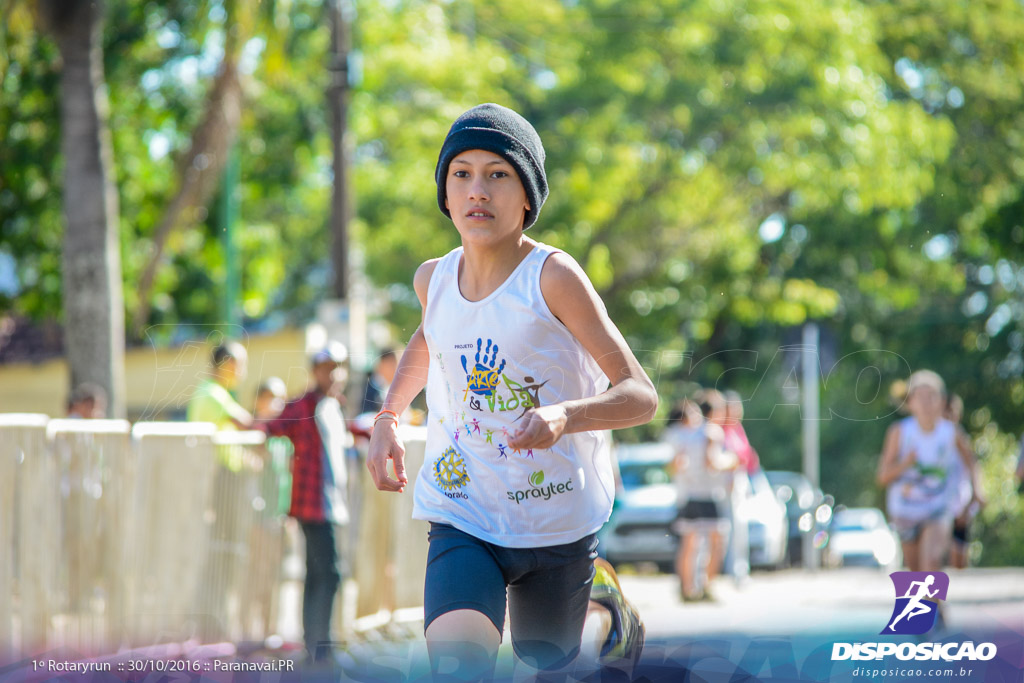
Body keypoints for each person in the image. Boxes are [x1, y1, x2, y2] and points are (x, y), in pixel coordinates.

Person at [365, 103, 658, 680]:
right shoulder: (434, 279)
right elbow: (428, 345)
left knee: (548, 661)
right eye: (462, 174)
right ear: (446, 195)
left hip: (555, 518)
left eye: (498, 174)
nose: (478, 189)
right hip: (464, 510)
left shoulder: (552, 277)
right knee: (457, 667)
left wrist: (563, 417)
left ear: (527, 195)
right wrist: (388, 418)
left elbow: (639, 394)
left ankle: (606, 609)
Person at [260, 342, 352, 665]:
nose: (336, 373)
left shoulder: (333, 406)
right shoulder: (304, 405)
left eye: (340, 366)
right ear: (316, 371)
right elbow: (272, 426)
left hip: (329, 504)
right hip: (313, 506)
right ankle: (318, 646)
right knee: (328, 573)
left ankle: (317, 645)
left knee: (321, 574)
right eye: (329, 367)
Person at [876, 370, 984, 573]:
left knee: (932, 561)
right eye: (920, 397)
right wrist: (905, 464)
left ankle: (932, 604)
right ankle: (934, 604)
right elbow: (883, 476)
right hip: (905, 509)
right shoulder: (899, 431)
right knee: (915, 574)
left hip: (938, 506)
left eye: (931, 396)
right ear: (910, 402)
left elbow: (972, 463)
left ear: (942, 401)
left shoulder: (951, 432)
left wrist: (978, 490)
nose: (926, 402)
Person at [665, 392, 734, 601]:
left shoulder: (684, 432)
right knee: (717, 541)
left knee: (689, 542)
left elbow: (674, 465)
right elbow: (712, 462)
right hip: (708, 494)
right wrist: (733, 461)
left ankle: (686, 588)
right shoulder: (712, 432)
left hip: (688, 494)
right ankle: (706, 586)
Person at [944, 393, 975, 569]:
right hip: (936, 501)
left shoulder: (959, 436)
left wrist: (976, 494)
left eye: (952, 412)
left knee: (958, 553)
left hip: (958, 500)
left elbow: (972, 464)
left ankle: (957, 591)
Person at [360, 348, 398, 414]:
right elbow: (366, 415)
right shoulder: (370, 388)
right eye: (392, 364)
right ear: (382, 364)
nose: (396, 368)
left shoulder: (390, 386)